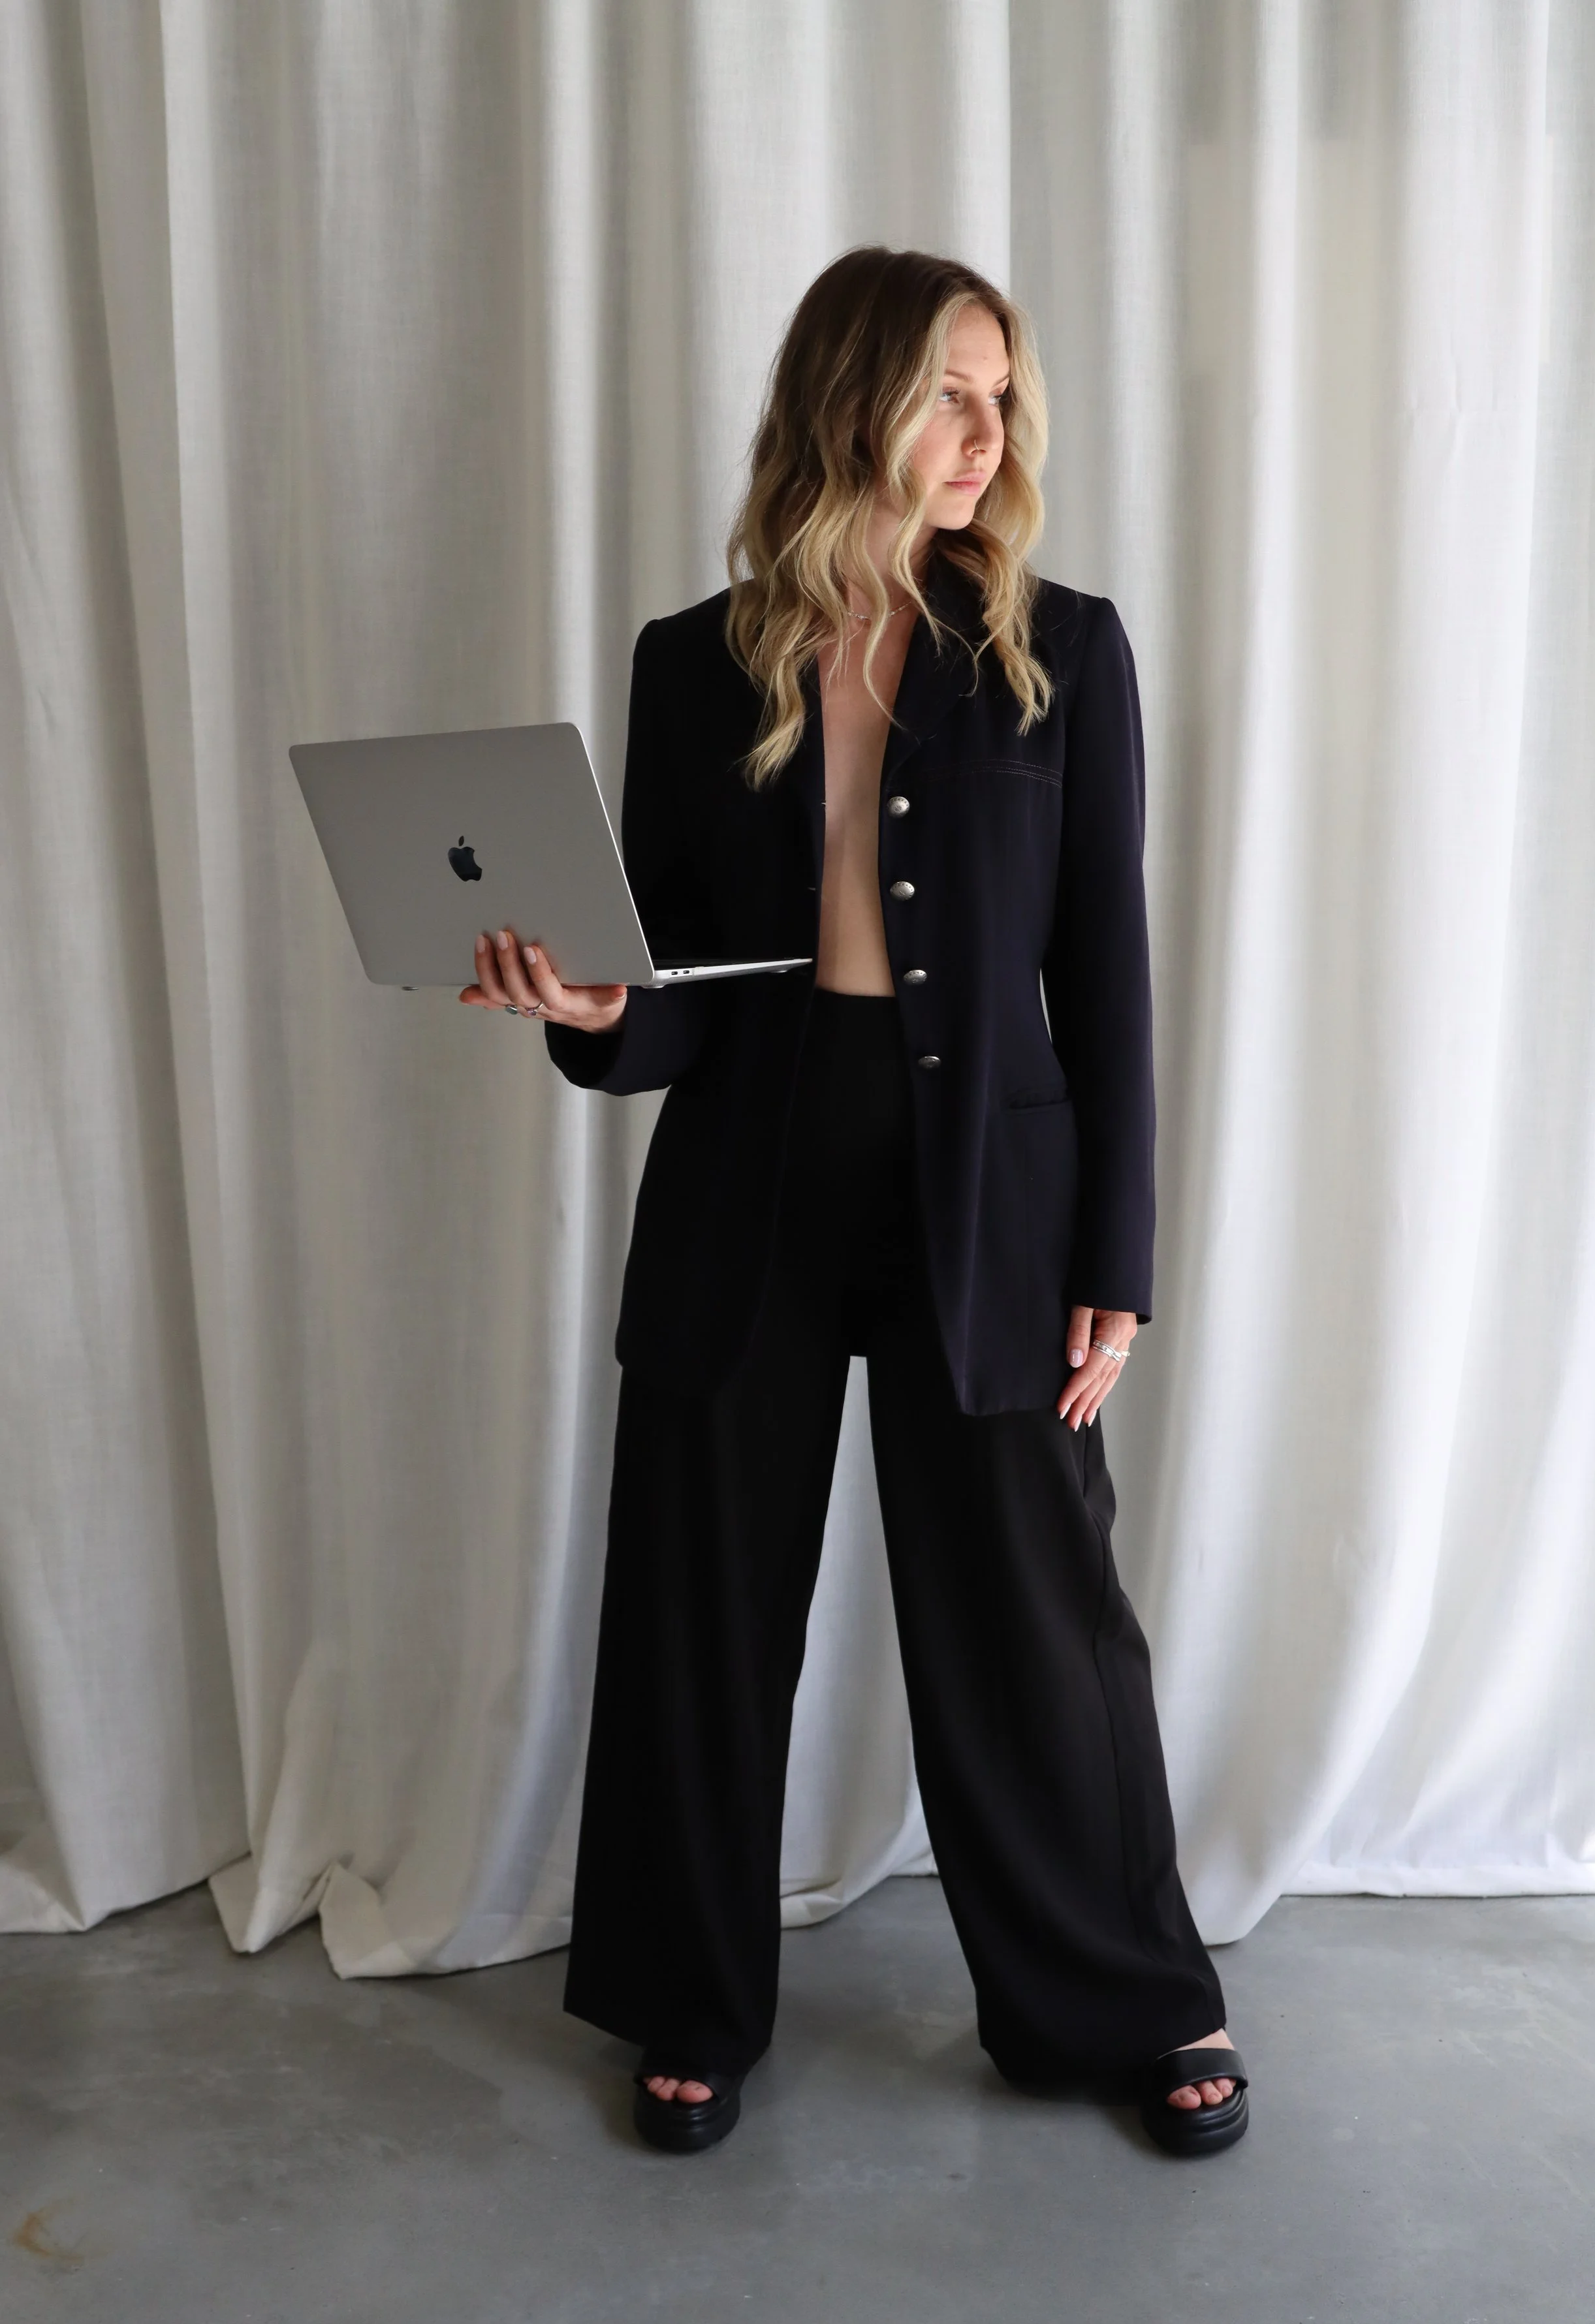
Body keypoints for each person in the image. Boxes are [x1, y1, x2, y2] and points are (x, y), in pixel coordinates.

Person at [461, 245, 1248, 2159]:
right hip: (754, 1164)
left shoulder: (1066, 650)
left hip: (992, 1182)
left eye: (1000, 396)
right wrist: (582, 1011)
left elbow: (1108, 981)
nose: (987, 433)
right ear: (850, 401)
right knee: (699, 1599)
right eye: (947, 393)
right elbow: (662, 1001)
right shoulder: (693, 659)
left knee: (1035, 1618)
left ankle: (1129, 1996)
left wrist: (1116, 1263)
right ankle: (687, 1997)